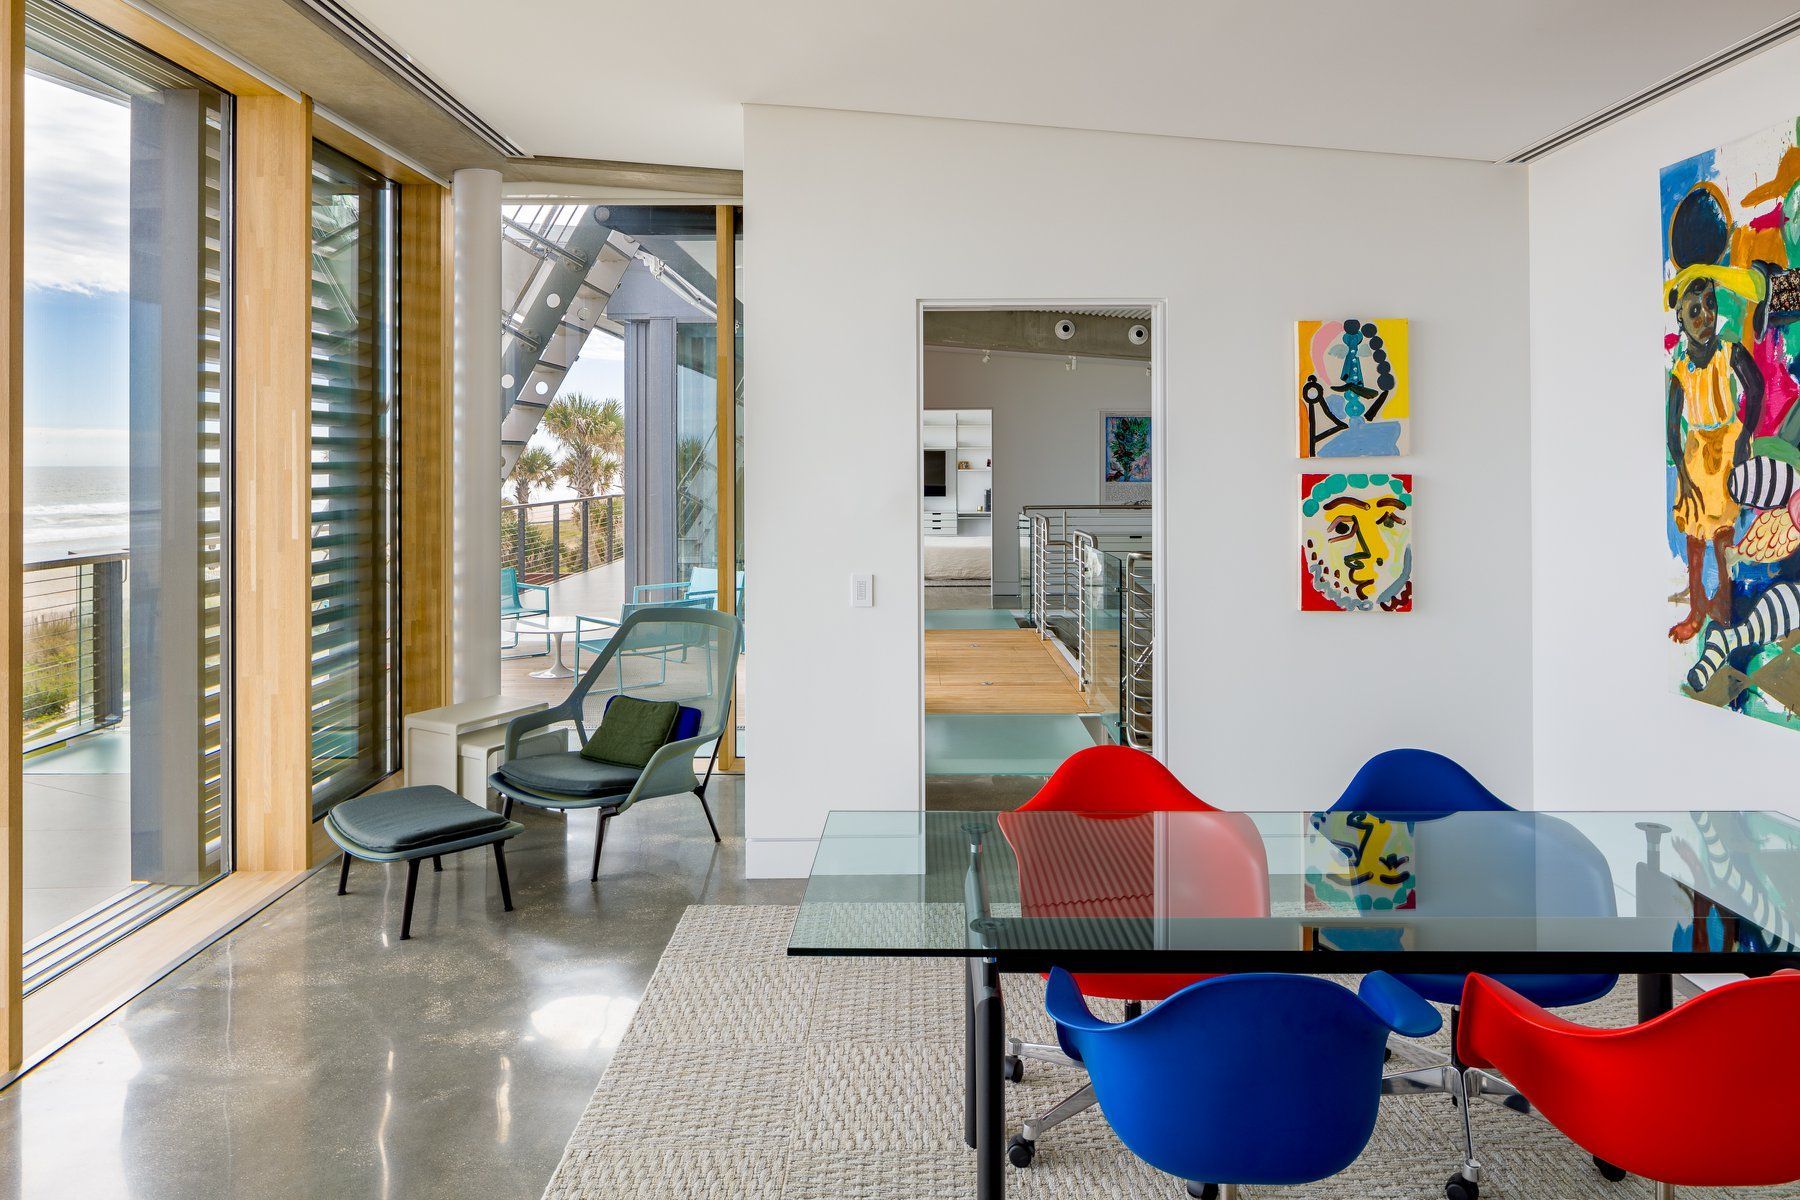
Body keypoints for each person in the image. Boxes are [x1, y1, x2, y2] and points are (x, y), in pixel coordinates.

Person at [1667, 270, 1764, 643]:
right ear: (1681, 318)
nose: (1705, 316)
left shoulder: (1728, 351)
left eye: (1710, 304)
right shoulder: (1681, 370)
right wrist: (1682, 471)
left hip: (1727, 448)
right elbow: (1671, 428)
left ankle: (1723, 605)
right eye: (1695, 310)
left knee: (1724, 536)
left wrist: (1743, 441)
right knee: (1694, 538)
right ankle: (1696, 609)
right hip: (1696, 456)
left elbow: (1755, 389)